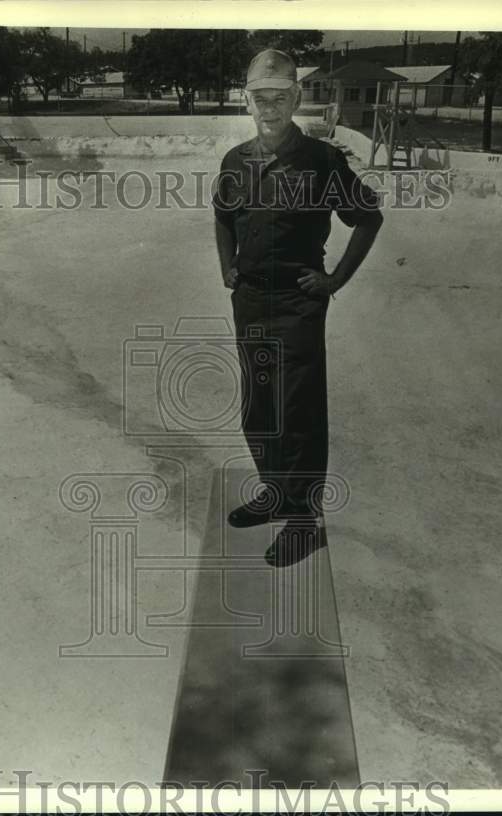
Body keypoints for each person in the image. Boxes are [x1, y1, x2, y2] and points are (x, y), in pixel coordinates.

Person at [213, 49, 384, 566]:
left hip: (297, 303)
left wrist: (334, 280)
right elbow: (222, 216)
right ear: (248, 101)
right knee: (258, 407)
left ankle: (304, 519)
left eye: (280, 97)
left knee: (298, 411)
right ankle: (275, 493)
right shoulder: (236, 161)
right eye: (260, 98)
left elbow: (369, 219)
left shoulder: (322, 161)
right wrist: (228, 266)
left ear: (295, 99)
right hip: (250, 303)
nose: (270, 107)